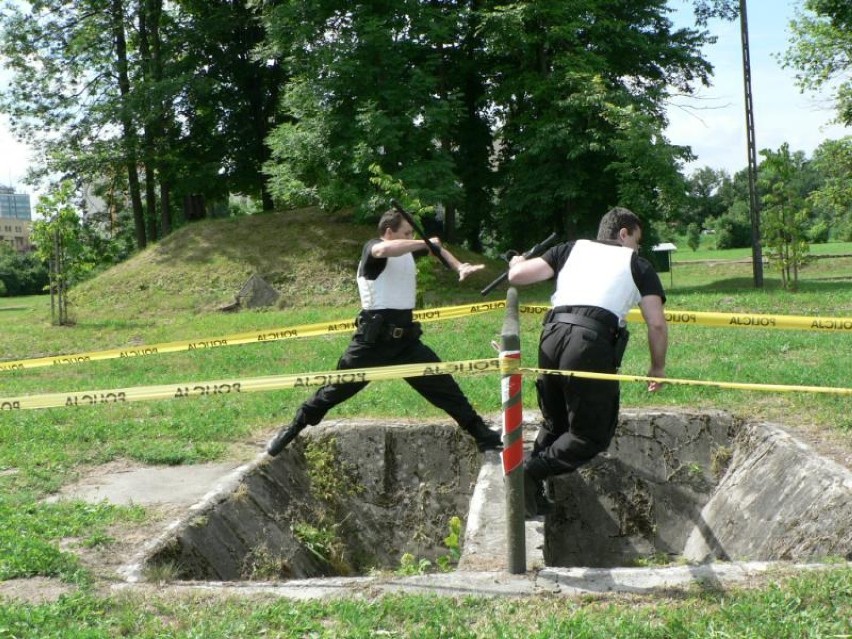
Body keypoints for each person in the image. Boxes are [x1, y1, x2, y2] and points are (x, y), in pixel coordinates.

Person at [266, 208, 503, 456]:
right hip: (372, 342)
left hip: (406, 343)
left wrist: (459, 266)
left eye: (412, 233)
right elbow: (385, 250)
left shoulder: (406, 251)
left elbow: (437, 248)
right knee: (334, 391)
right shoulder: (374, 247)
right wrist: (422, 242)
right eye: (406, 232)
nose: (411, 237)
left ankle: (482, 435)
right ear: (389, 232)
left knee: (444, 386)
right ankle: (292, 429)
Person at [507, 206, 668, 518]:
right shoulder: (637, 264)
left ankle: (530, 491)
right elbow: (657, 324)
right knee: (590, 435)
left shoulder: (570, 249)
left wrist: (517, 261)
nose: (638, 247)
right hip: (590, 343)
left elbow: (518, 276)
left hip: (551, 336)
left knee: (556, 423)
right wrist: (657, 366)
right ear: (624, 234)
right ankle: (529, 472)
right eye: (637, 239)